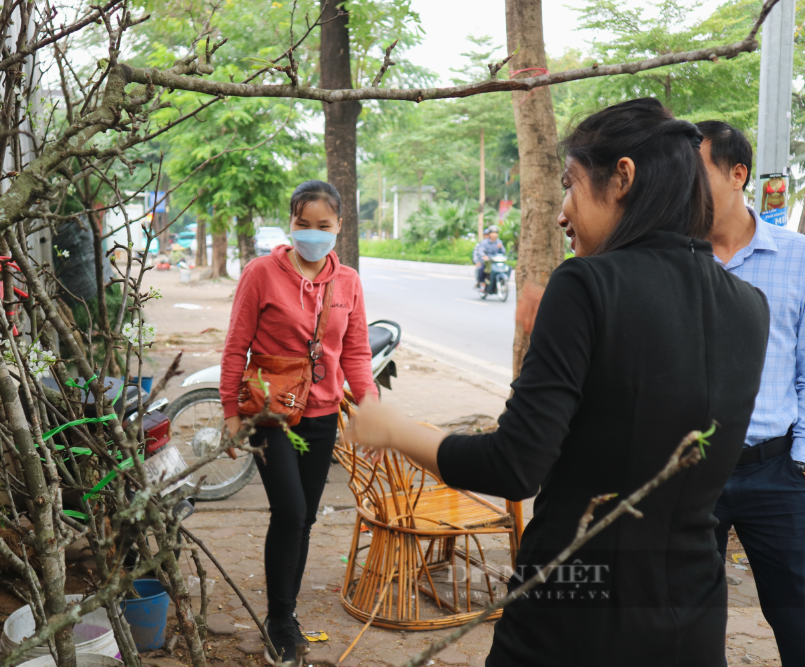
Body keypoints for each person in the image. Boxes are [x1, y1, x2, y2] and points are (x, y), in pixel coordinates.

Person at [347, 98, 769, 667]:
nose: (561, 211)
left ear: (623, 177)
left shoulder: (588, 284)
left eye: (570, 184)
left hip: (573, 614)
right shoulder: (749, 305)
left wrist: (394, 429)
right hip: (691, 617)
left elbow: (514, 466)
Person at [220, 180, 378, 666]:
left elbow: (355, 351)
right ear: (291, 224)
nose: (313, 234)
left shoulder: (347, 281)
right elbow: (236, 345)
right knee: (289, 512)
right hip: (270, 413)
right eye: (303, 225)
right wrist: (230, 413)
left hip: (322, 413)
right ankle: (280, 620)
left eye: (323, 226)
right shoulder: (261, 273)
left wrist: (369, 405)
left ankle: (284, 615)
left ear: (339, 227)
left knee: (305, 518)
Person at [695, 120, 805, 666]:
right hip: (689, 471)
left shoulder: (797, 257)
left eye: (696, 175)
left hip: (776, 471)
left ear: (737, 174)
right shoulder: (675, 261)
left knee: (797, 615)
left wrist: (800, 463)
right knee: (687, 620)